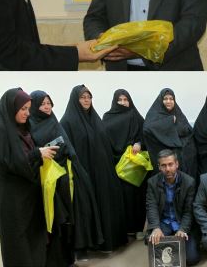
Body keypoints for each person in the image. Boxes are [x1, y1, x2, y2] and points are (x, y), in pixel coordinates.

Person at [30, 90, 103, 263]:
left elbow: (67, 144)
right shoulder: (30, 125)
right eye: (43, 104)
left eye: (49, 103)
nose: (47, 107)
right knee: (56, 217)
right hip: (48, 177)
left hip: (66, 171)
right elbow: (35, 150)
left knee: (75, 210)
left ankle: (76, 249)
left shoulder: (54, 121)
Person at [60, 85, 127, 252]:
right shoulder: (67, 122)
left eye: (89, 97)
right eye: (83, 97)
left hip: (103, 172)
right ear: (75, 99)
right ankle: (92, 245)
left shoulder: (96, 119)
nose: (86, 100)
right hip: (84, 173)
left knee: (106, 204)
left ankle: (109, 242)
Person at [0, 88, 59, 267]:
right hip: (14, 200)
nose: (27, 113)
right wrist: (37, 154)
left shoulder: (24, 128)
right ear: (12, 108)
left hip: (31, 197)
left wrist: (40, 153)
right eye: (23, 109)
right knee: (19, 245)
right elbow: (12, 162)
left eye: (28, 109)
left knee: (35, 242)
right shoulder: (2, 131)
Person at [102, 89, 146, 238]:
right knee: (120, 197)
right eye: (119, 100)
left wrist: (139, 143)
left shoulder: (135, 115)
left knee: (136, 197)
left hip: (133, 164)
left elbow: (144, 133)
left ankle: (138, 228)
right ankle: (124, 229)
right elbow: (103, 138)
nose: (123, 103)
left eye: (125, 99)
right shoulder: (107, 117)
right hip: (115, 164)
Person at [147, 149, 200, 266]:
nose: (167, 169)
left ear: (177, 164)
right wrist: (155, 227)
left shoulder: (189, 182)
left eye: (170, 164)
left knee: (191, 259)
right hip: (164, 223)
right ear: (159, 167)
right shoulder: (152, 182)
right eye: (163, 165)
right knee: (157, 254)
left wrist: (183, 229)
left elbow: (188, 211)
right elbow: (151, 207)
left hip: (181, 222)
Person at [143, 88, 197, 178]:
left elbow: (187, 130)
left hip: (182, 160)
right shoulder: (154, 114)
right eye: (165, 99)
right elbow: (147, 129)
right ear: (161, 100)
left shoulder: (178, 113)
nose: (168, 101)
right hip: (163, 159)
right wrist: (169, 121)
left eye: (171, 99)